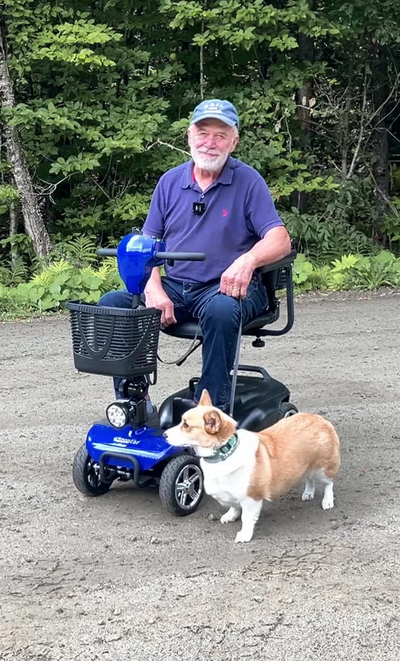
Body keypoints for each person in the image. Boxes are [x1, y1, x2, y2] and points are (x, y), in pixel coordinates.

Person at [99, 99, 291, 410]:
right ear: (189, 136)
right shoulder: (169, 182)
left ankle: (210, 410)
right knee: (114, 304)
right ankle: (134, 401)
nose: (210, 143)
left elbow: (280, 240)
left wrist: (248, 260)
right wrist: (154, 289)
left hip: (226, 287)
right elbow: (147, 245)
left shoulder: (248, 181)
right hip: (176, 287)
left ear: (234, 142)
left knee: (221, 310)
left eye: (220, 135)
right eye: (203, 134)